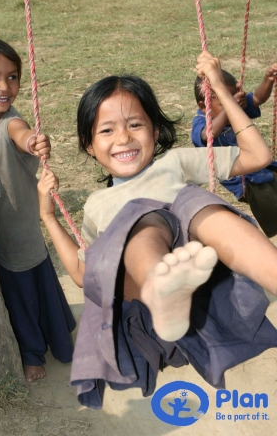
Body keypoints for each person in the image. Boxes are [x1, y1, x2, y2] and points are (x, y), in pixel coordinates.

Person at [38, 51, 277, 409]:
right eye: (107, 130)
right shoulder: (98, 206)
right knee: (142, 219)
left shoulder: (175, 162)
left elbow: (257, 156)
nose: (124, 138)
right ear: (90, 146)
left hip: (203, 261)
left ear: (155, 130)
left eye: (135, 124)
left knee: (198, 206)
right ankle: (162, 289)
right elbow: (82, 273)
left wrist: (220, 90)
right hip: (151, 303)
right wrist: (48, 216)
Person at [0, 30, 76, 383]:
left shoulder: (11, 123)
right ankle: (56, 328)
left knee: (24, 292)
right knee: (11, 288)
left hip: (19, 232)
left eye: (12, 77)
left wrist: (33, 140)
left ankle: (31, 352)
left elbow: (22, 135)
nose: (4, 86)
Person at [191, 64, 277, 238]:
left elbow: (258, 99)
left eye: (233, 97)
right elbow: (208, 134)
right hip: (246, 181)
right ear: (203, 106)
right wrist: (232, 107)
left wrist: (268, 79)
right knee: (270, 204)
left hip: (264, 167)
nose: (231, 104)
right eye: (224, 102)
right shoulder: (201, 121)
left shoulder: (236, 105)